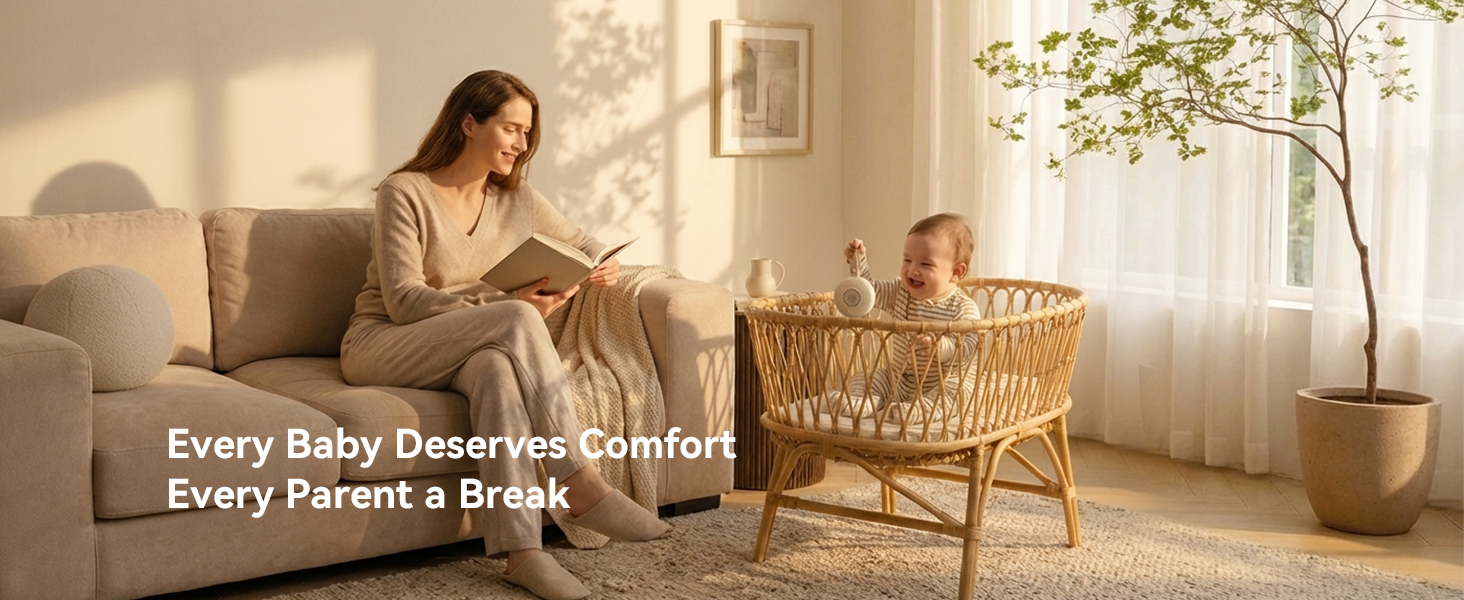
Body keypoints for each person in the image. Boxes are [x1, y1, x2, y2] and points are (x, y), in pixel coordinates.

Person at [340, 70, 668, 600]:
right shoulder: (406, 192)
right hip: (385, 343)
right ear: (469, 123)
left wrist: (600, 261)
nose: (521, 143)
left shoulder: (517, 198)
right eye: (511, 129)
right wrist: (504, 302)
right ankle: (581, 483)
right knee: (516, 318)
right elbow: (403, 301)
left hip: (468, 344)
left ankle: (523, 553)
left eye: (527, 133)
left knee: (496, 369)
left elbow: (583, 241)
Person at [841, 213, 982, 413]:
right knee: (870, 377)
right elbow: (869, 293)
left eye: (925, 264)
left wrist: (940, 347)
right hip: (899, 378)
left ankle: (917, 412)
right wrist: (859, 263)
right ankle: (859, 403)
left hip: (941, 382)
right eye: (907, 260)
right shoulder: (900, 292)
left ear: (956, 272)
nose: (912, 270)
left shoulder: (962, 307)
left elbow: (969, 345)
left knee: (958, 391)